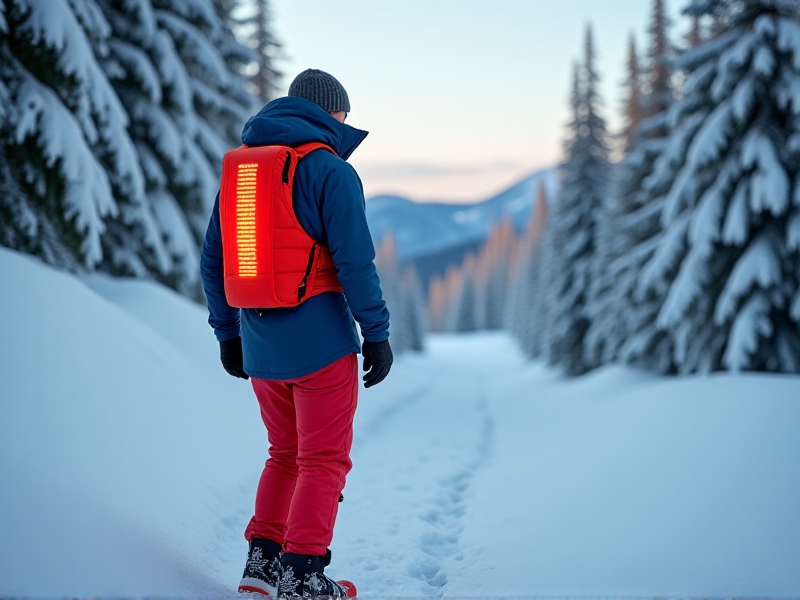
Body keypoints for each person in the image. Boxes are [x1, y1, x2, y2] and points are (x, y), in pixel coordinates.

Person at [200, 68, 393, 598]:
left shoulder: (242, 171)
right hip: (323, 345)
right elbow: (356, 263)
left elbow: (214, 261)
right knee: (323, 460)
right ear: (331, 114)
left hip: (259, 343)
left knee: (283, 455)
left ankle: (261, 568)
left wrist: (226, 332)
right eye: (344, 116)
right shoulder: (330, 170)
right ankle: (303, 576)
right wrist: (375, 333)